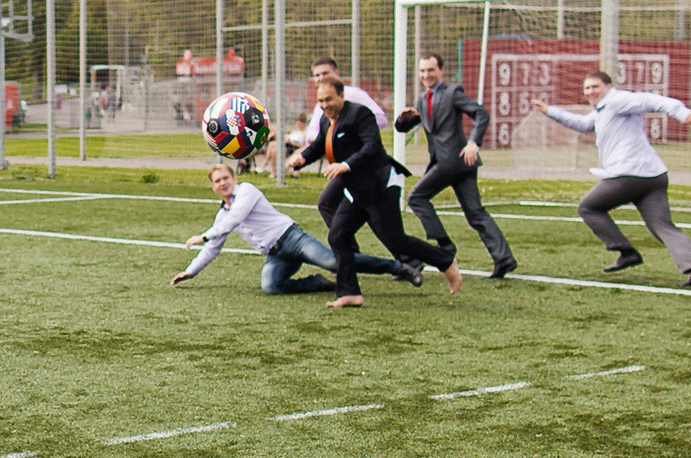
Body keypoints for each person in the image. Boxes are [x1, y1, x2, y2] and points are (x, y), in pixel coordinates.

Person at [288, 73, 461, 305]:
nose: (324, 105)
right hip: (356, 189)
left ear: (341, 95)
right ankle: (349, 293)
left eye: (329, 100)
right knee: (338, 236)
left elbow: (372, 147)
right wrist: (302, 158)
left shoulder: (360, 114)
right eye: (320, 101)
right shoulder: (325, 120)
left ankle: (446, 261)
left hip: (380, 184)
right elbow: (320, 145)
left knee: (396, 241)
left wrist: (346, 164)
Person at [529, 71, 691, 285]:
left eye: (595, 87)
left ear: (608, 86)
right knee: (662, 225)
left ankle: (625, 252)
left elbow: (651, 100)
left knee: (588, 208)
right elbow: (584, 124)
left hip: (629, 175)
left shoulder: (617, 101)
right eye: (587, 88)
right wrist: (550, 111)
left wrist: (682, 114)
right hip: (653, 176)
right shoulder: (603, 110)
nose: (590, 92)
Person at [171, 159, 414, 294]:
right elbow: (214, 247)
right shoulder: (222, 214)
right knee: (270, 286)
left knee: (333, 261)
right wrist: (191, 271)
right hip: (276, 254)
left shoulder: (246, 191)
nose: (223, 183)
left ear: (234, 179)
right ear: (213, 187)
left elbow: (234, 220)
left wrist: (202, 236)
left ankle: (398, 267)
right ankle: (317, 283)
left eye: (226, 178)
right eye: (217, 181)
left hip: (293, 238)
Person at [398, 52, 516, 280]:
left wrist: (473, 142)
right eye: (422, 71)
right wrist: (403, 118)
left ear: (442, 70)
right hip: (456, 164)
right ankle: (504, 258)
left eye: (431, 70)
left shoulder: (452, 92)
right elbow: (404, 127)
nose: (426, 75)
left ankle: (444, 245)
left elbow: (481, 113)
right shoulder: (423, 99)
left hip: (454, 161)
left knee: (416, 198)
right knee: (475, 212)